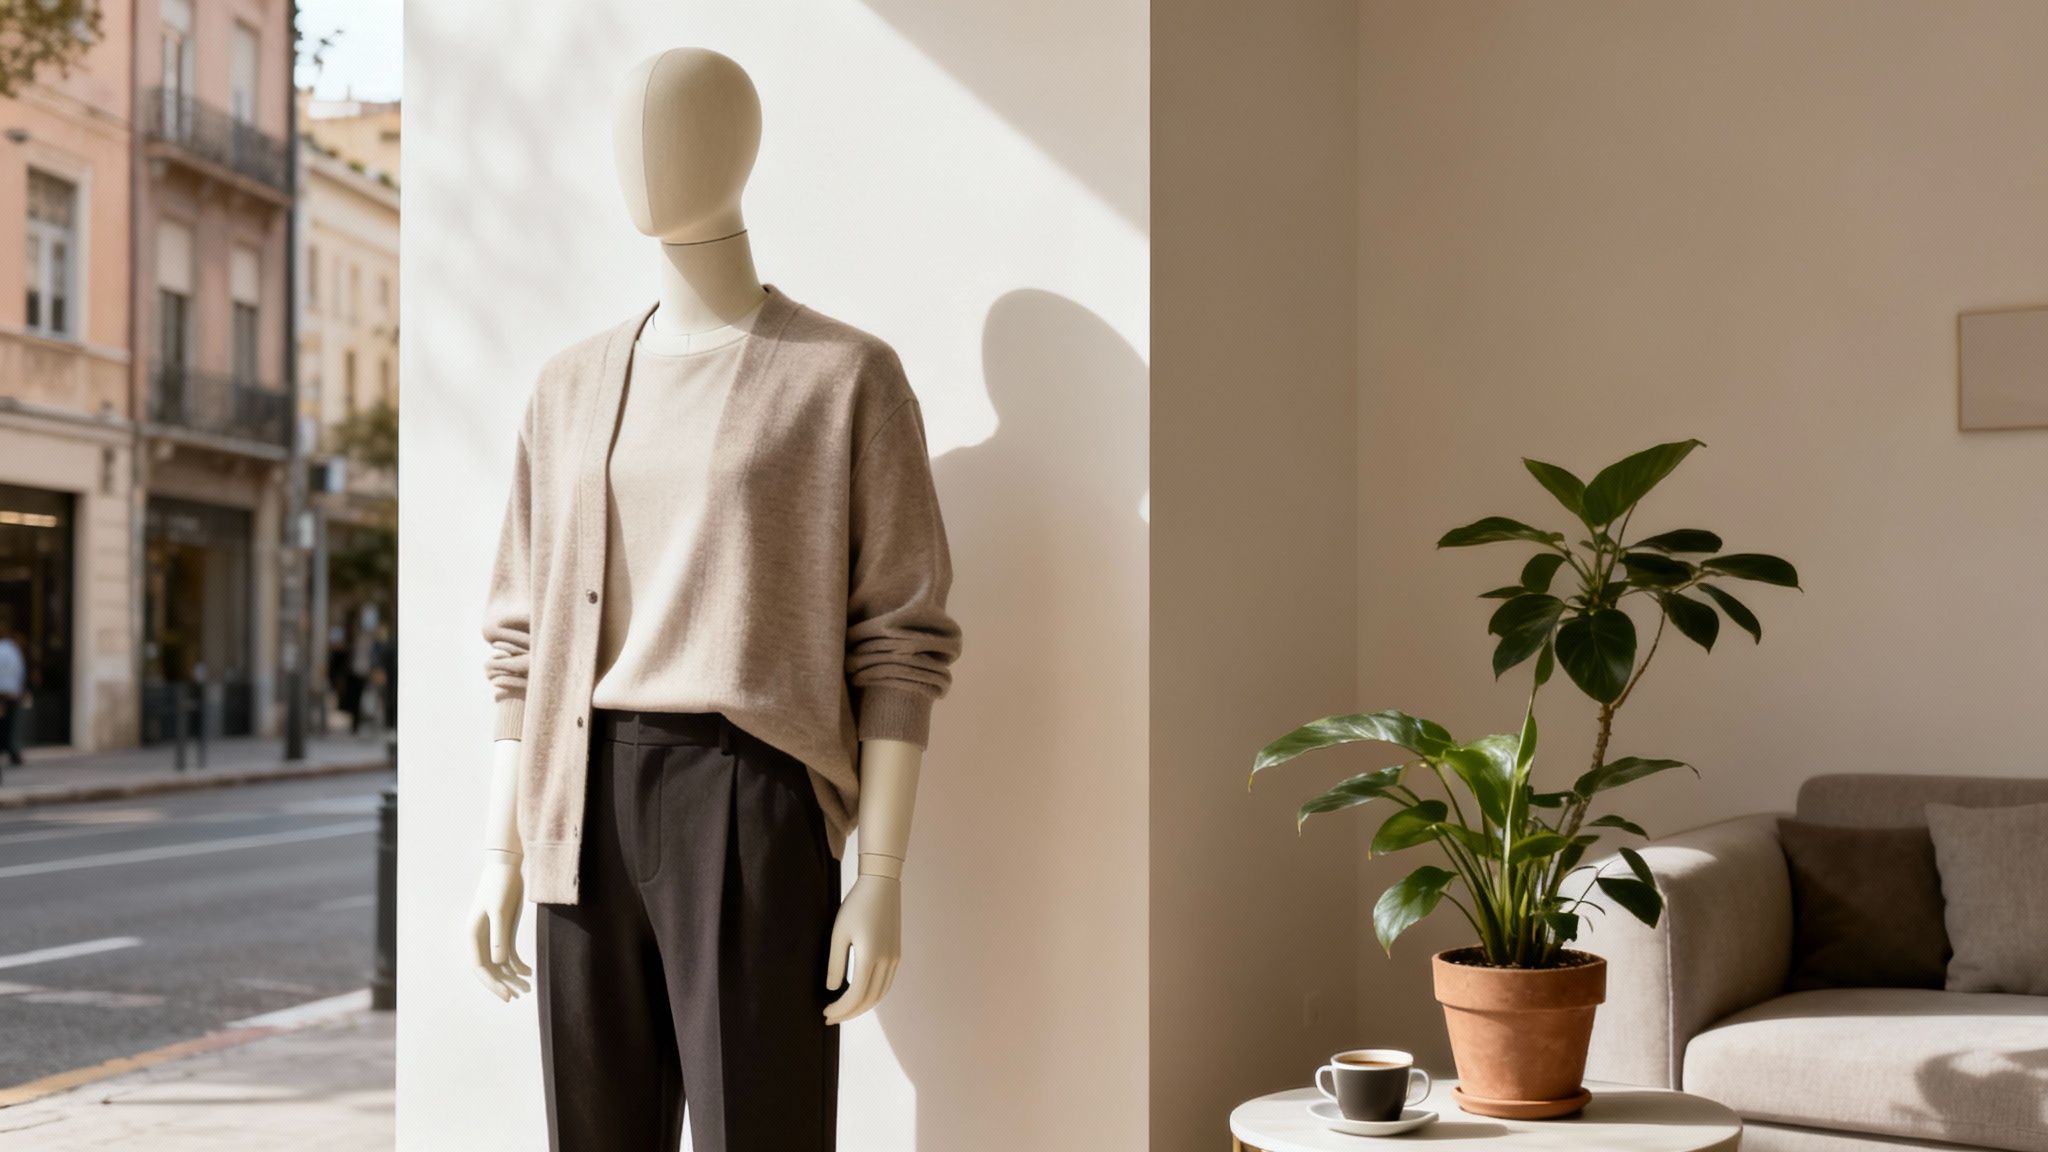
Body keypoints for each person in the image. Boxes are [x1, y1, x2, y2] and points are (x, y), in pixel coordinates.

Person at [0, 623, 26, 768]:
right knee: (8, 726)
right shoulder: (14, 651)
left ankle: (12, 752)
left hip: (2, 695)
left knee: (4, 726)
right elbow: (20, 672)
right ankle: (12, 752)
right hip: (11, 695)